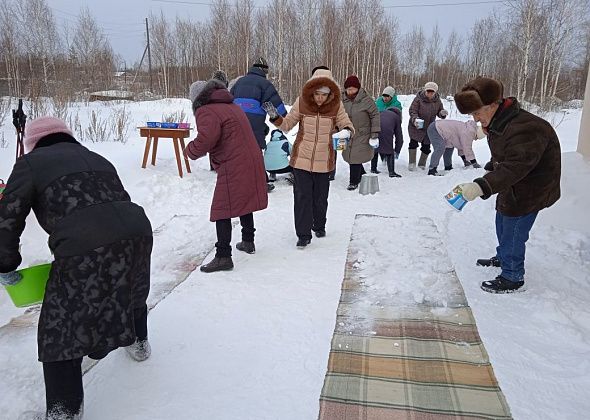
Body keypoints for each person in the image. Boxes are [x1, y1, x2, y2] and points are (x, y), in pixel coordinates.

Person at [0, 116, 153, 419]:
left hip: (84, 241)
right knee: (130, 287)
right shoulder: (97, 157)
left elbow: (7, 216)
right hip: (137, 229)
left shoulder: (30, 163)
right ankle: (138, 342)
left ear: (33, 143)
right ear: (66, 136)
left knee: (61, 325)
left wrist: (5, 263)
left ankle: (64, 410)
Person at [452, 77, 561, 293]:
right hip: (512, 185)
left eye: (477, 112)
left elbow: (516, 166)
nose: (475, 119)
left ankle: (512, 276)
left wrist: (481, 186)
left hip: (531, 189)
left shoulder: (526, 127)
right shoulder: (499, 123)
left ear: (493, 105)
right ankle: (503, 257)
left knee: (513, 231)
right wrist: (492, 167)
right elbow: (504, 155)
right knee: (502, 222)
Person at [262, 68, 354, 247]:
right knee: (302, 197)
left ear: (330, 93)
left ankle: (319, 225)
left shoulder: (336, 106)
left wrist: (345, 132)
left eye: (324, 94)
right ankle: (303, 235)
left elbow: (347, 125)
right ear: (311, 90)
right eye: (317, 93)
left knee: (320, 198)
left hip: (324, 160)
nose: (320, 97)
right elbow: (287, 125)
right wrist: (275, 117)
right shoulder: (302, 102)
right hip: (301, 159)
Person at [187, 75, 268, 272]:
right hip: (252, 158)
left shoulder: (206, 110)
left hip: (235, 162)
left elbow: (207, 139)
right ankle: (248, 240)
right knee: (244, 199)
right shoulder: (231, 106)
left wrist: (190, 150)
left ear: (197, 99)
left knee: (222, 207)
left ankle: (223, 256)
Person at [230, 57, 287, 193]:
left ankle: (236, 182)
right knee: (255, 156)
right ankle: (262, 183)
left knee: (238, 155)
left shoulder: (239, 82)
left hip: (236, 124)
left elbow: (228, 101)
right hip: (254, 127)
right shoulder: (264, 84)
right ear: (263, 70)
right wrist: (284, 115)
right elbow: (274, 103)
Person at [341, 75, 380, 189]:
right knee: (350, 157)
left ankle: (353, 182)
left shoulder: (366, 100)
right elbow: (339, 116)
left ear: (358, 88)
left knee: (355, 157)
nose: (350, 91)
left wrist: (375, 133)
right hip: (347, 133)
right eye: (348, 89)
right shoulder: (342, 100)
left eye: (352, 89)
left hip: (362, 134)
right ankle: (362, 174)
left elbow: (375, 115)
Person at [408, 81, 447, 171]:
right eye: (428, 91)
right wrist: (415, 119)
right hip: (416, 125)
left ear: (435, 92)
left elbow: (440, 111)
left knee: (426, 146)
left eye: (432, 92)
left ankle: (422, 164)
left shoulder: (437, 101)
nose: (429, 93)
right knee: (413, 143)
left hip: (429, 127)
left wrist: (442, 113)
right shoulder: (418, 99)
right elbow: (412, 110)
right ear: (425, 91)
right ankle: (412, 163)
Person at [373, 106, 403, 177]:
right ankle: (391, 172)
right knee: (389, 151)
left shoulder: (381, 112)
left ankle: (373, 169)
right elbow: (399, 137)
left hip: (374, 129)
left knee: (375, 149)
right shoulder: (396, 117)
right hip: (387, 131)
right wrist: (396, 151)